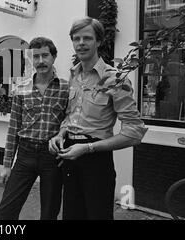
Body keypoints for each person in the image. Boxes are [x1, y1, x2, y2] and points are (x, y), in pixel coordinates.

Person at [49, 17, 148, 220]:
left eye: (87, 38)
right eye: (76, 39)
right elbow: (70, 117)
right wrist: (60, 134)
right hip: (69, 155)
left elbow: (134, 133)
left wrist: (87, 148)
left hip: (95, 159)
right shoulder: (74, 76)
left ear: (99, 41)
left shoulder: (115, 79)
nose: (81, 43)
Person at [0, 37, 69, 220]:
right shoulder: (21, 88)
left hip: (52, 157)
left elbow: (70, 118)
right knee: (5, 213)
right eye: (36, 57)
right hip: (25, 155)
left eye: (45, 55)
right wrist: (6, 165)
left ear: (54, 57)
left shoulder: (66, 88)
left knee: (49, 213)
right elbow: (13, 129)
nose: (41, 61)